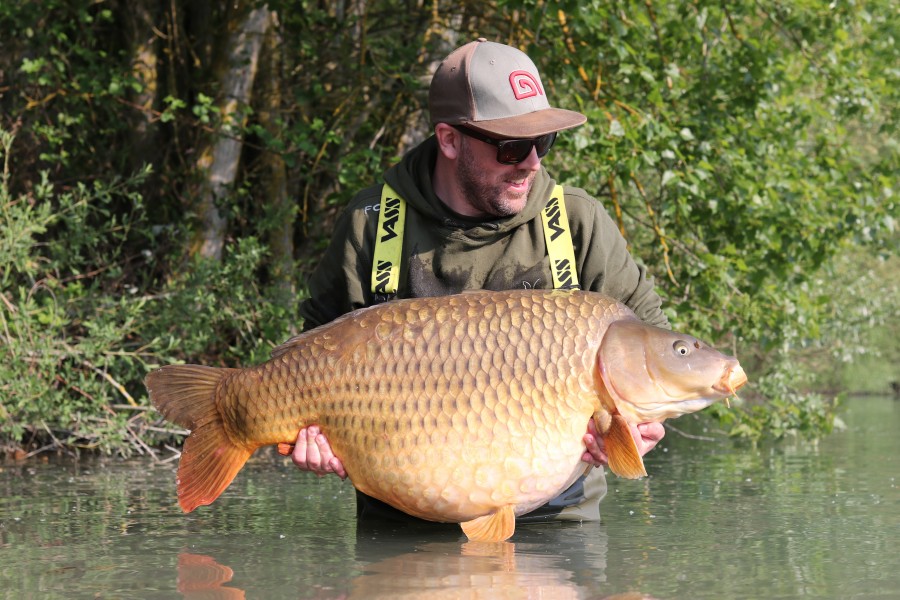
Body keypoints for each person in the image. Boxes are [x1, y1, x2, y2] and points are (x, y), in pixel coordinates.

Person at [291, 38, 667, 524]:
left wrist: (645, 426)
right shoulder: (373, 223)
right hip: (401, 518)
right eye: (512, 146)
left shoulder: (577, 223)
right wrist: (314, 438)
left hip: (555, 521)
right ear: (449, 140)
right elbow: (309, 355)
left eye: (543, 142)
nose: (532, 162)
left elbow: (653, 352)